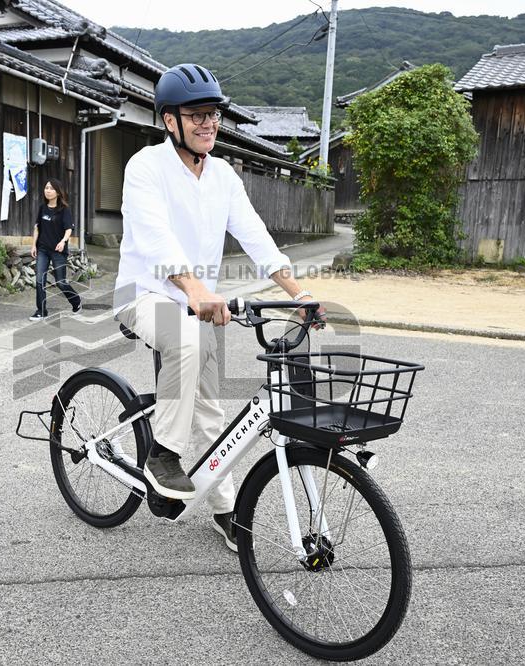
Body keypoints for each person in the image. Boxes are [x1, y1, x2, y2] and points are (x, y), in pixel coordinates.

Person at [113, 63, 324, 552]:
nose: (208, 123)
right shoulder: (145, 167)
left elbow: (254, 235)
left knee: (210, 409)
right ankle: (163, 454)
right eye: (197, 114)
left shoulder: (224, 174)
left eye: (213, 114)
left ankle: (225, 509)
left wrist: (298, 293)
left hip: (198, 304)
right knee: (185, 341)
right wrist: (193, 288)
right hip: (146, 294)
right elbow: (154, 238)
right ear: (171, 121)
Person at [29, 178, 82, 321]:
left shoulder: (64, 210)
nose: (48, 190)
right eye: (46, 188)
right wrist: (34, 245)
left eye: (51, 188)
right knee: (40, 279)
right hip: (43, 249)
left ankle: (76, 301)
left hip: (58, 251)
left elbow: (69, 229)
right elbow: (37, 228)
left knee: (61, 282)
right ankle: (41, 310)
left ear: (58, 192)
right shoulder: (42, 208)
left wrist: (63, 241)